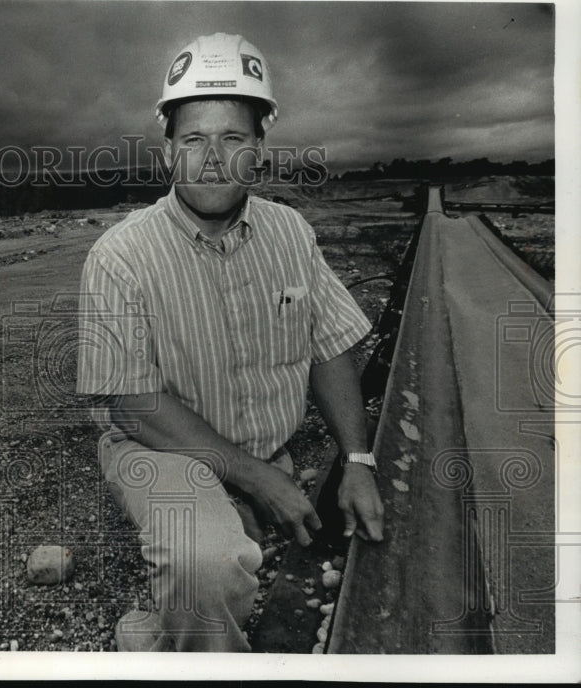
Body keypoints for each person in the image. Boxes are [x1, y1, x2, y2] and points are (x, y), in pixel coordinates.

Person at [76, 33, 384, 652]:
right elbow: (135, 406)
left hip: (263, 448)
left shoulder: (289, 230)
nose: (213, 157)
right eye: (194, 139)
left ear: (259, 150)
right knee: (207, 566)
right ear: (168, 152)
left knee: (235, 557)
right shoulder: (120, 257)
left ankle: (163, 635)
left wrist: (357, 459)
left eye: (233, 137)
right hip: (160, 451)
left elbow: (328, 345)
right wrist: (257, 479)